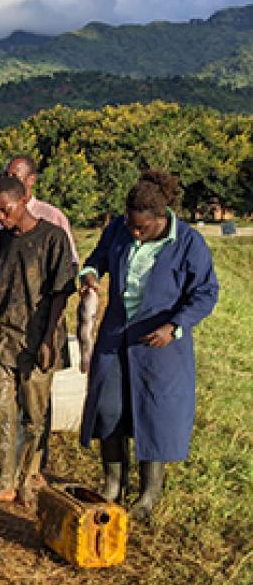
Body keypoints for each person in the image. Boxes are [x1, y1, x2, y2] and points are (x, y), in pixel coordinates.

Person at [79, 170, 218, 520]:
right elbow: (97, 259)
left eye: (143, 228)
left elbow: (205, 293)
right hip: (116, 335)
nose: (136, 234)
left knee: (152, 415)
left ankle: (148, 494)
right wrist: (91, 275)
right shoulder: (119, 230)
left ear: (162, 218)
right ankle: (114, 483)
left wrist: (176, 325)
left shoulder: (188, 242)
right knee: (109, 408)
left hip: (160, 343)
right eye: (131, 227)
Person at [0, 176, 75, 508]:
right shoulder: (0, 242)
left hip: (38, 337)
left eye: (7, 210)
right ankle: (5, 481)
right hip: (4, 336)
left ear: (24, 202)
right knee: (2, 411)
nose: (1, 218)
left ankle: (29, 478)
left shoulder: (52, 238)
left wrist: (48, 339)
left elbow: (61, 293)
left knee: (35, 416)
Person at [0, 155, 78, 266]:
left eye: (14, 176)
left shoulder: (52, 216)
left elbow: (70, 262)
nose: (1, 217)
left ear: (31, 180)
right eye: (6, 175)